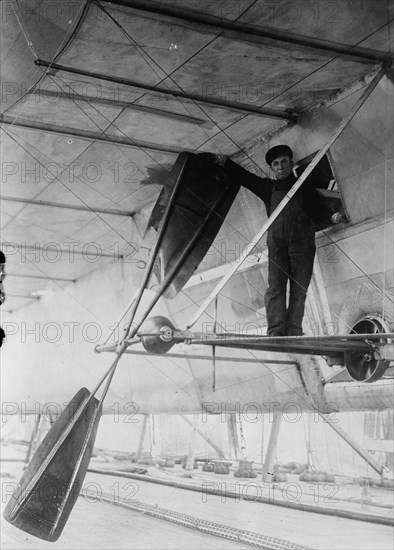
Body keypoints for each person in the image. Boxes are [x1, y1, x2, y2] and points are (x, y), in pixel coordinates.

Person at [228, 145, 346, 336]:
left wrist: (334, 217)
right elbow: (244, 177)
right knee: (276, 288)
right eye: (276, 164)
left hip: (302, 244)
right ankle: (275, 331)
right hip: (277, 245)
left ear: (291, 164)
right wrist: (224, 162)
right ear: (272, 169)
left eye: (284, 162)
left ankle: (293, 330)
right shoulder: (267, 188)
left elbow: (318, 209)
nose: (280, 167)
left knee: (299, 289)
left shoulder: (303, 186)